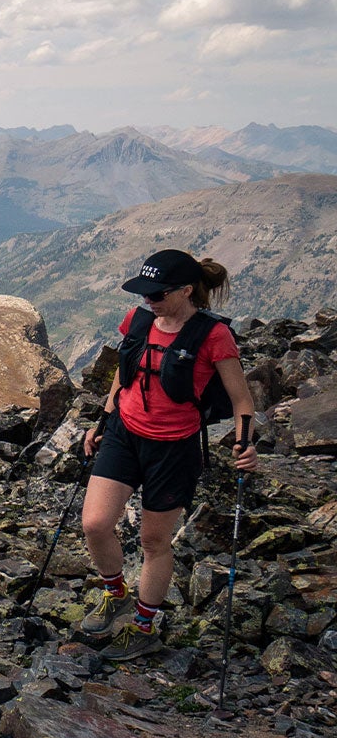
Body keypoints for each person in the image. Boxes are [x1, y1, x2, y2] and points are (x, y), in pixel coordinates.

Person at [78, 248, 257, 660]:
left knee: (154, 540)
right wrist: (102, 425)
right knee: (95, 523)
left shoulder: (213, 336)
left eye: (158, 294)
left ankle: (144, 628)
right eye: (146, 292)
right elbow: (125, 377)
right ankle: (115, 593)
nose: (149, 300)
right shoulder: (138, 321)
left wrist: (246, 445)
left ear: (186, 291)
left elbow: (241, 400)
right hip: (124, 434)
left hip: (175, 448)